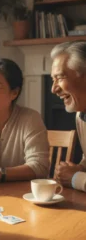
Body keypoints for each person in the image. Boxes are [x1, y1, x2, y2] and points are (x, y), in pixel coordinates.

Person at [51, 41, 86, 192]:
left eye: (59, 78)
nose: (53, 89)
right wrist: (80, 167)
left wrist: (75, 177)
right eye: (53, 79)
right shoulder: (81, 115)